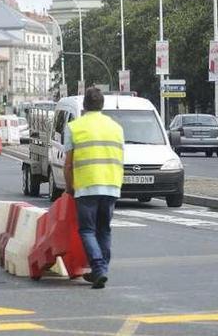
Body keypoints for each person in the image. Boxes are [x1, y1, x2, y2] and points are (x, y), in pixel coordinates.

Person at [63, 87, 124, 289]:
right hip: (112, 185)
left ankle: (98, 268)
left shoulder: (75, 127)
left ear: (84, 105)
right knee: (104, 229)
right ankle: (102, 270)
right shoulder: (116, 127)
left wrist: (69, 187)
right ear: (102, 105)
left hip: (87, 186)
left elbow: (68, 163)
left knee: (88, 230)